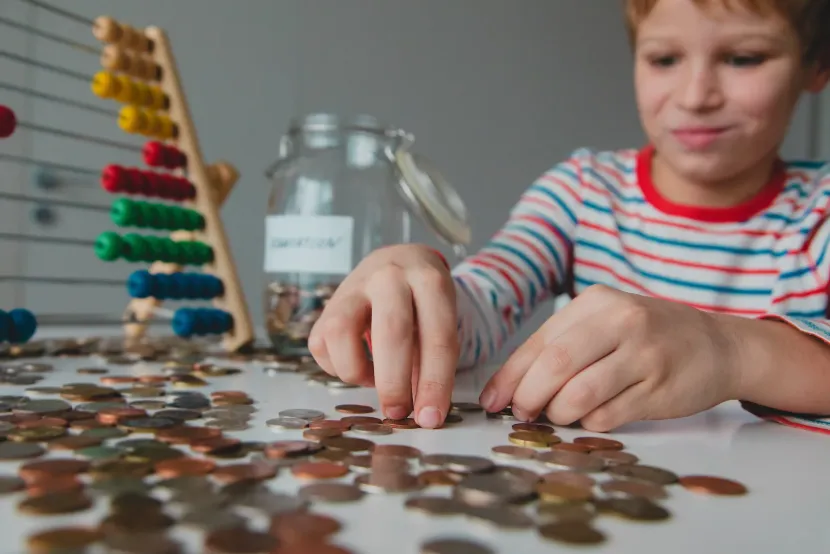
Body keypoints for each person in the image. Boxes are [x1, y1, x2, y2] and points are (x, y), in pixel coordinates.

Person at [307, 0, 830, 434]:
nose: (695, 97)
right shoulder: (582, 192)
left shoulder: (820, 210)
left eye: (744, 58)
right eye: (664, 58)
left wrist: (729, 352)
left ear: (816, 66)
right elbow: (484, 303)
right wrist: (418, 298)